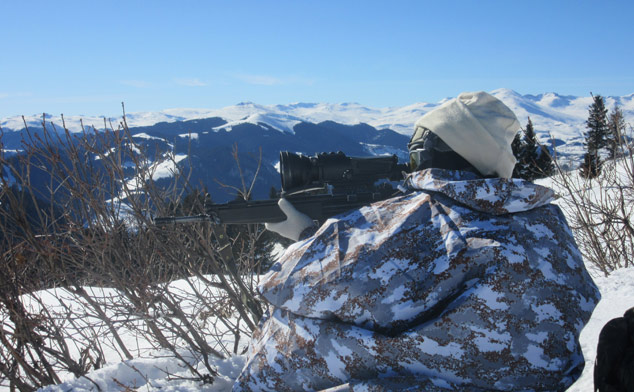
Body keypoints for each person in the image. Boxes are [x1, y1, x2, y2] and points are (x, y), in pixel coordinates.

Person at [233, 91, 600, 391]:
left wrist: (307, 238)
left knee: (291, 326)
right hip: (536, 383)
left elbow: (285, 286)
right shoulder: (548, 220)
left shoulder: (408, 223)